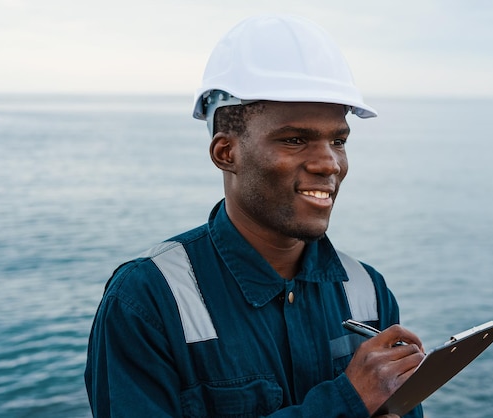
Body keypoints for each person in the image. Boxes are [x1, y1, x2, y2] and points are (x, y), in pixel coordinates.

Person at [85, 14, 425, 418]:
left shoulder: (368, 291)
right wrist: (346, 401)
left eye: (338, 140)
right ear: (225, 153)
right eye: (295, 140)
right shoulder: (147, 300)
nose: (329, 163)